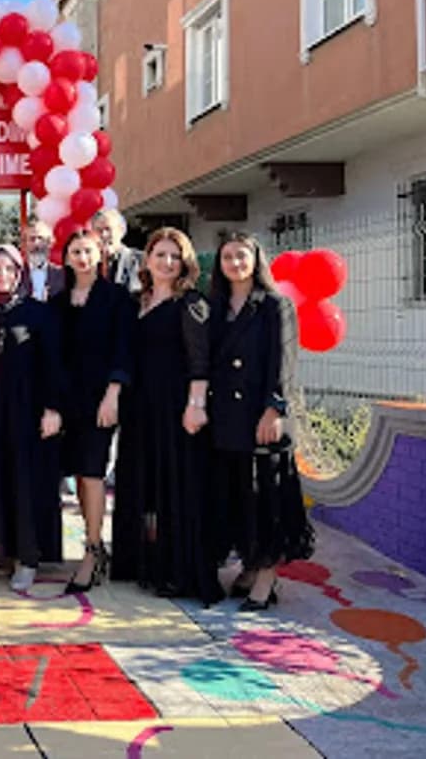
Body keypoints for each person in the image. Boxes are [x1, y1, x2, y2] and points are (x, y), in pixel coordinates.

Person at [110, 229, 221, 605]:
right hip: (140, 409)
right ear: (147, 259)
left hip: (177, 408)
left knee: (176, 488)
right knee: (143, 484)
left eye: (175, 256)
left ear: (185, 262)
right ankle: (144, 563)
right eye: (160, 254)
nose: (167, 262)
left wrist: (196, 404)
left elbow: (200, 360)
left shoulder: (190, 303)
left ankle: (176, 570)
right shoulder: (135, 301)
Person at [208, 232, 314, 611]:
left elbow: (284, 362)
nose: (234, 263)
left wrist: (274, 409)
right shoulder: (217, 305)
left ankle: (267, 575)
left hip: (260, 418)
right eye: (227, 258)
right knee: (239, 497)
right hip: (225, 420)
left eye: (241, 256)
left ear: (255, 259)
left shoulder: (274, 305)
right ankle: (251, 564)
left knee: (265, 496)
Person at [0, 244, 66, 591]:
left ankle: (28, 557)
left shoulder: (38, 313)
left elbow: (54, 364)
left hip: (27, 414)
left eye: (10, 269)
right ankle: (1, 552)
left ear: (20, 273)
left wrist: (53, 408)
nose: (3, 276)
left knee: (26, 484)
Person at [53, 228, 134, 594]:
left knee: (92, 473)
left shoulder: (116, 298)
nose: (82, 258)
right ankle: (94, 542)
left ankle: (91, 549)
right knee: (79, 476)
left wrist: (114, 394)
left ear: (100, 256)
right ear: (66, 257)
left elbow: (123, 349)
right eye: (75, 251)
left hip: (101, 400)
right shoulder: (58, 301)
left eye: (88, 251)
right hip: (67, 402)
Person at [91, 209, 142, 295]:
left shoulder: (140, 260)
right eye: (99, 230)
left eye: (108, 229)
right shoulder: (88, 264)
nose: (104, 235)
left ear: (121, 231)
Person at [21, 221, 65, 303]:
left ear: (50, 243)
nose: (36, 243)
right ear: (24, 244)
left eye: (40, 238)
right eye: (32, 239)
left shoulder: (63, 275)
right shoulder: (17, 275)